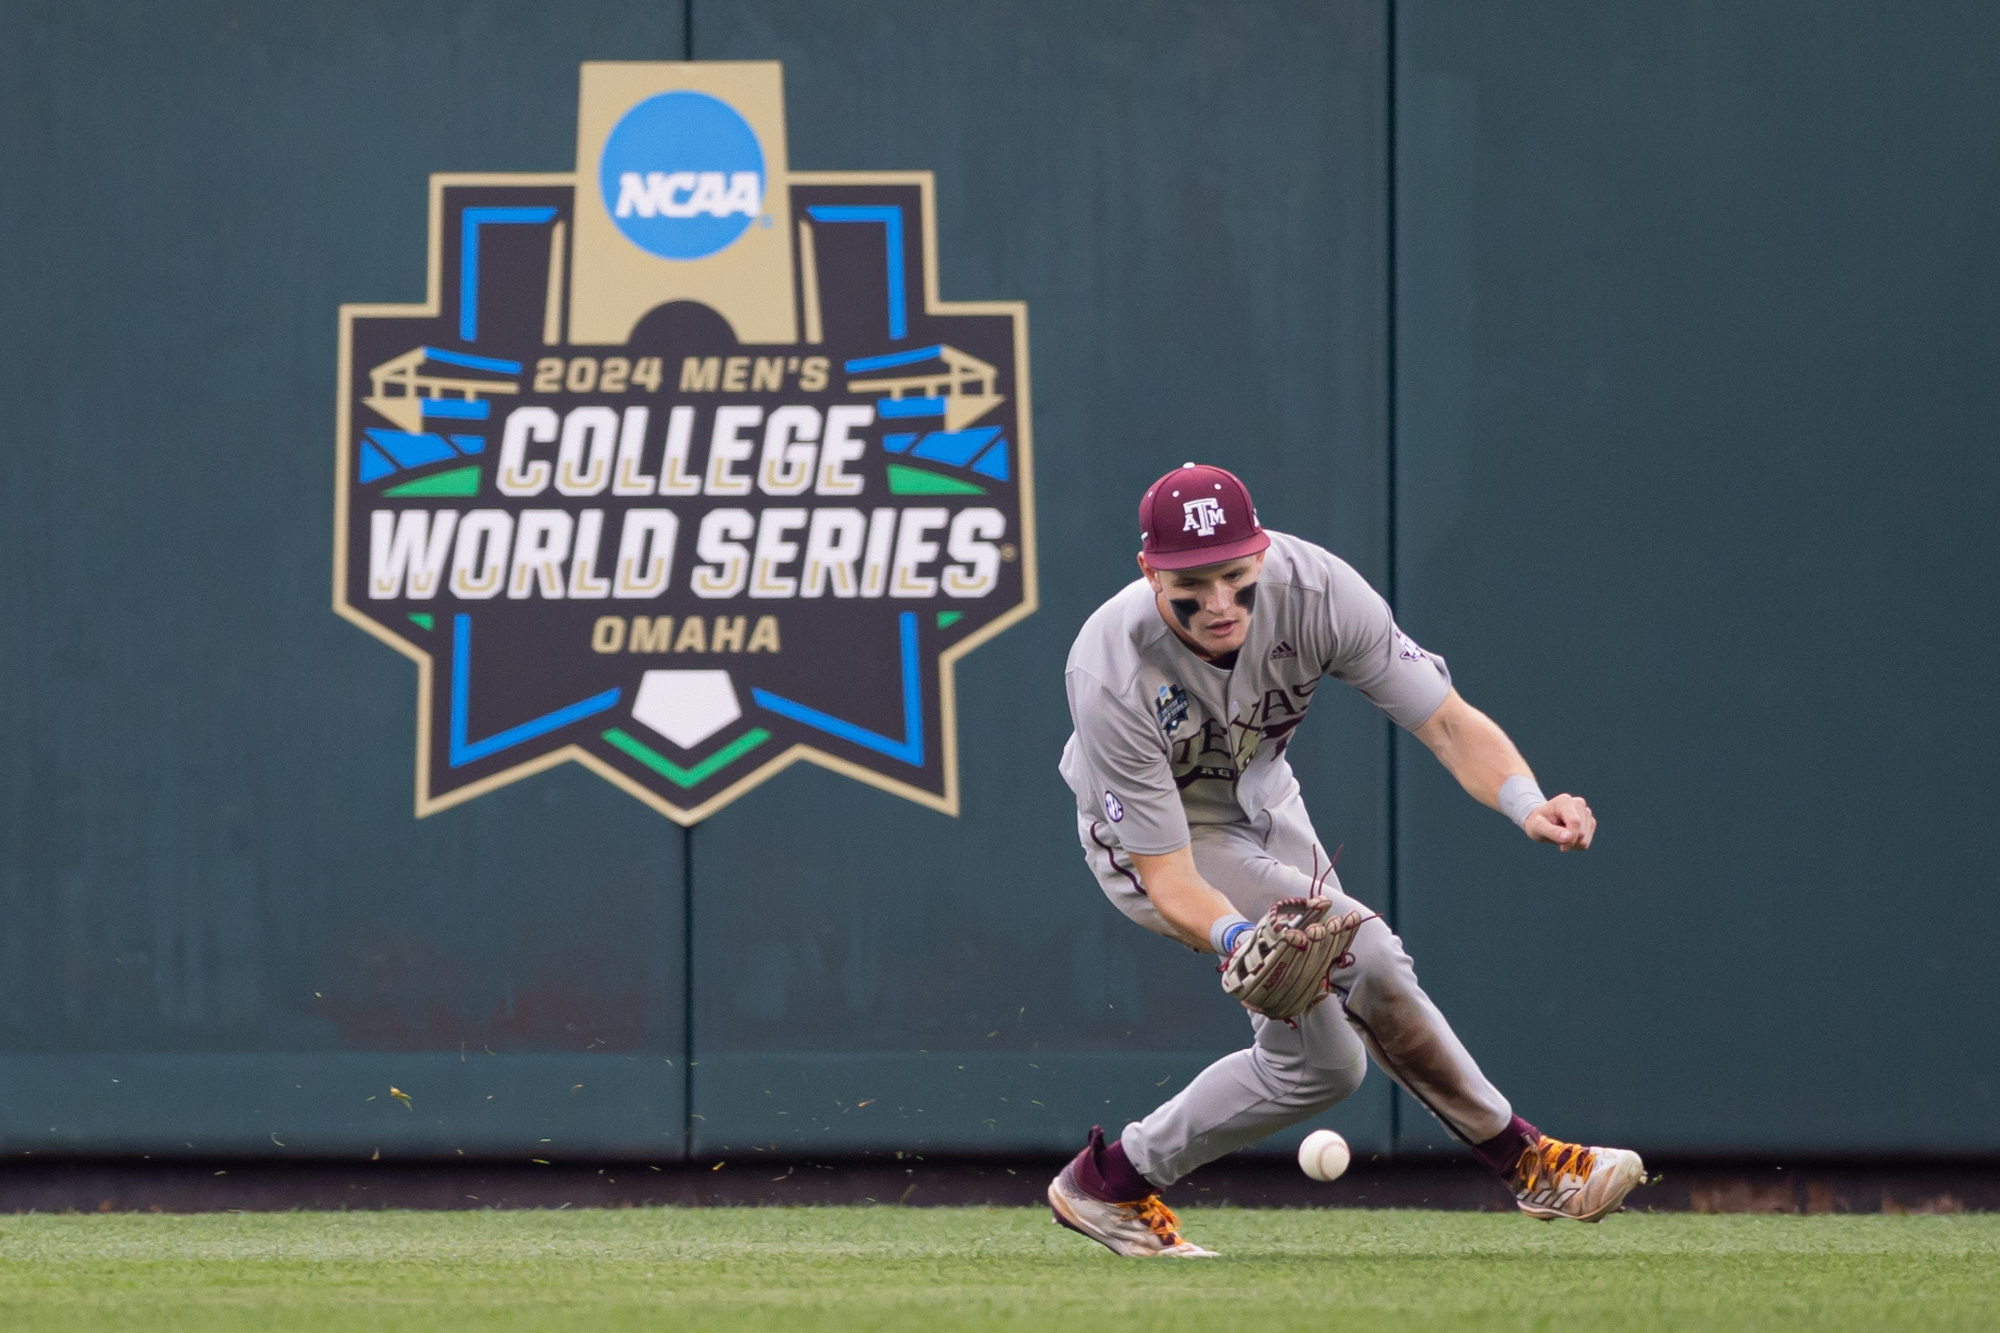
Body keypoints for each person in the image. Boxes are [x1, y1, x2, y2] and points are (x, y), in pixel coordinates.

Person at [1047, 462, 1644, 1258]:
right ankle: (1529, 1162)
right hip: (1163, 839)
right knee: (1367, 949)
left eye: (1234, 573)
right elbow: (1170, 875)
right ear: (1150, 571)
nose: (1220, 601)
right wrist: (1235, 938)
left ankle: (1108, 1182)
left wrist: (1524, 800)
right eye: (1193, 581)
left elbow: (1445, 721)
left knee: (1324, 1069)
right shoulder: (1108, 666)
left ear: (1261, 554)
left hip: (1263, 795)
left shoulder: (1319, 591)